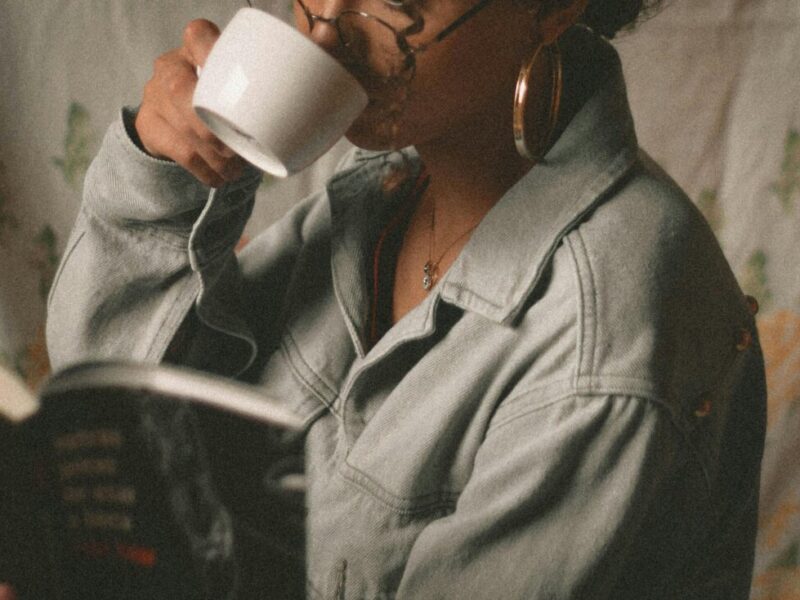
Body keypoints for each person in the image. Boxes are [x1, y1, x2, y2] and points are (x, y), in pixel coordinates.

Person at [41, 0, 766, 597]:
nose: (325, 24)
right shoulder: (389, 191)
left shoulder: (604, 341)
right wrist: (163, 172)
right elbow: (116, 430)